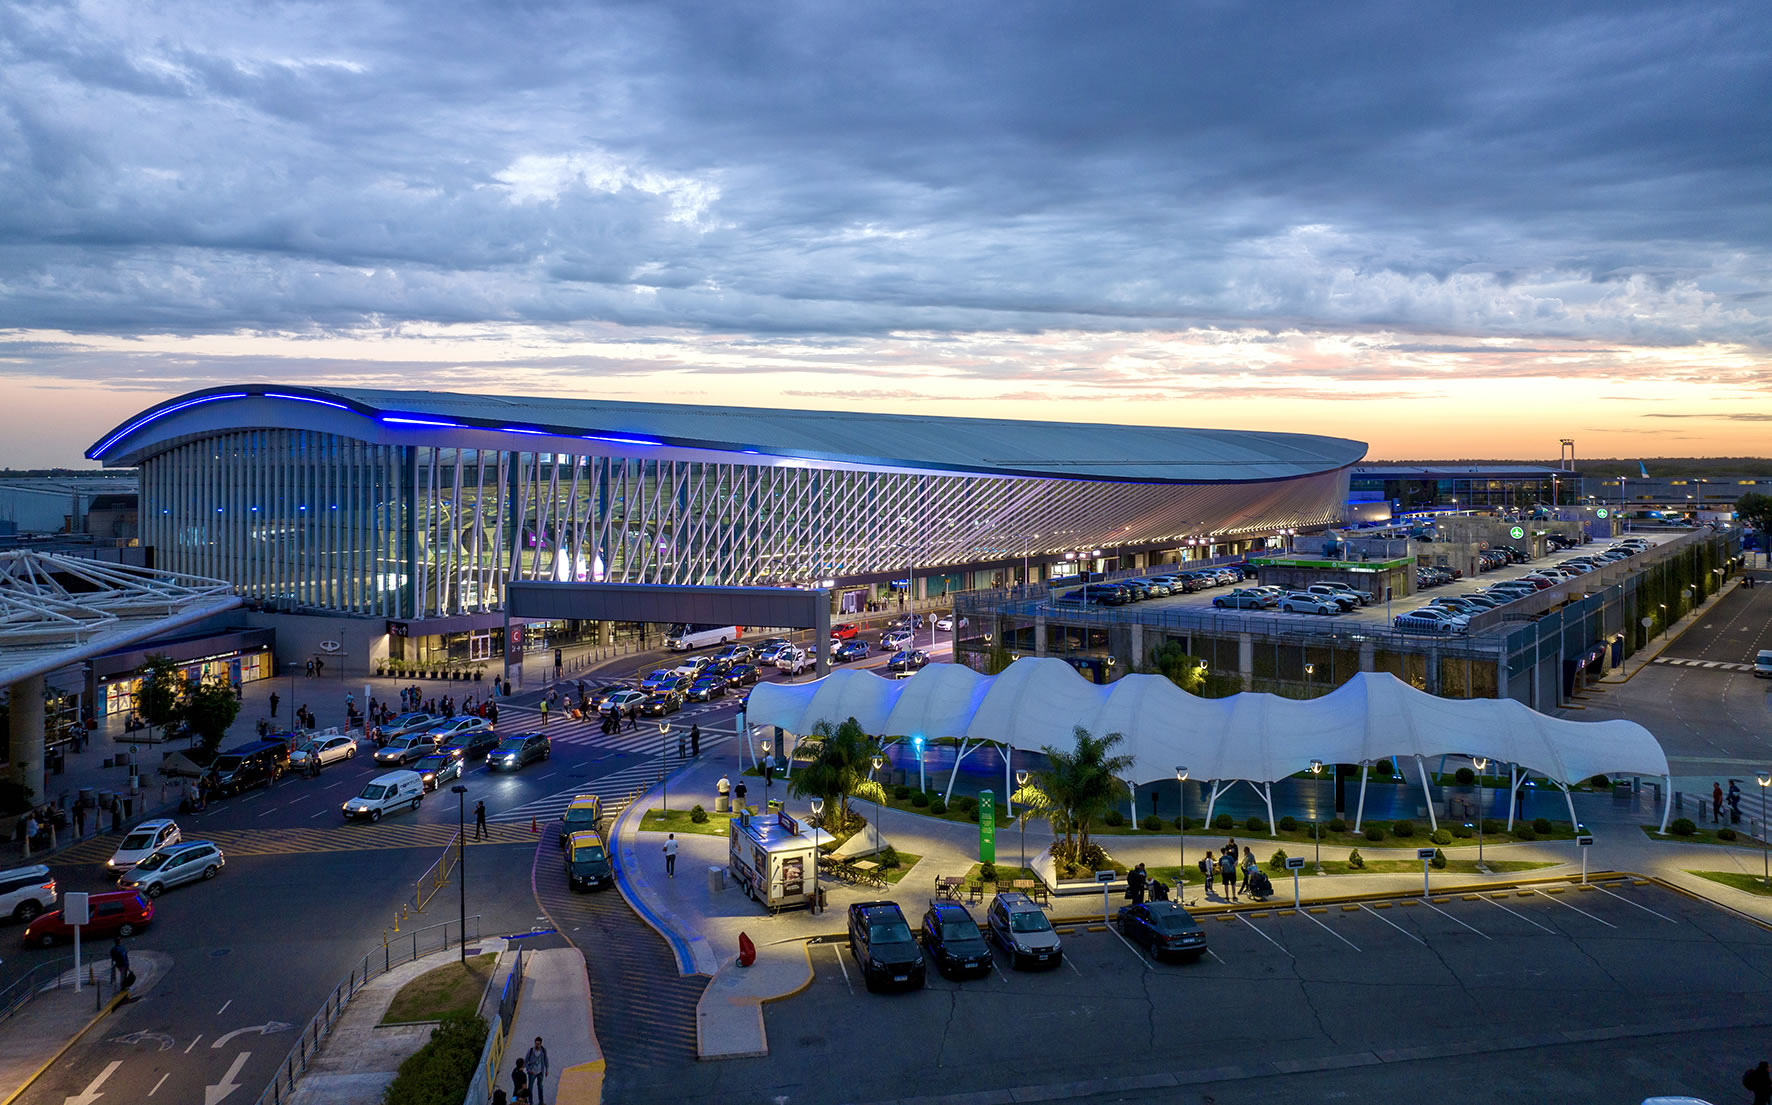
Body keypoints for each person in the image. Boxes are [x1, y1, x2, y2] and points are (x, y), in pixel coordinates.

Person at [525, 1037, 550, 1105]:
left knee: (540, 1087)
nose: (537, 1045)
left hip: (540, 1072)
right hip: (532, 1072)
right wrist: (529, 1070)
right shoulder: (530, 1051)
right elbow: (525, 1061)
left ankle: (541, 1102)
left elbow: (546, 1060)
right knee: (530, 1088)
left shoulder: (543, 1050)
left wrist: (546, 1069)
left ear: (541, 1044)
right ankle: (531, 1102)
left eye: (538, 1044)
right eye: (536, 1043)